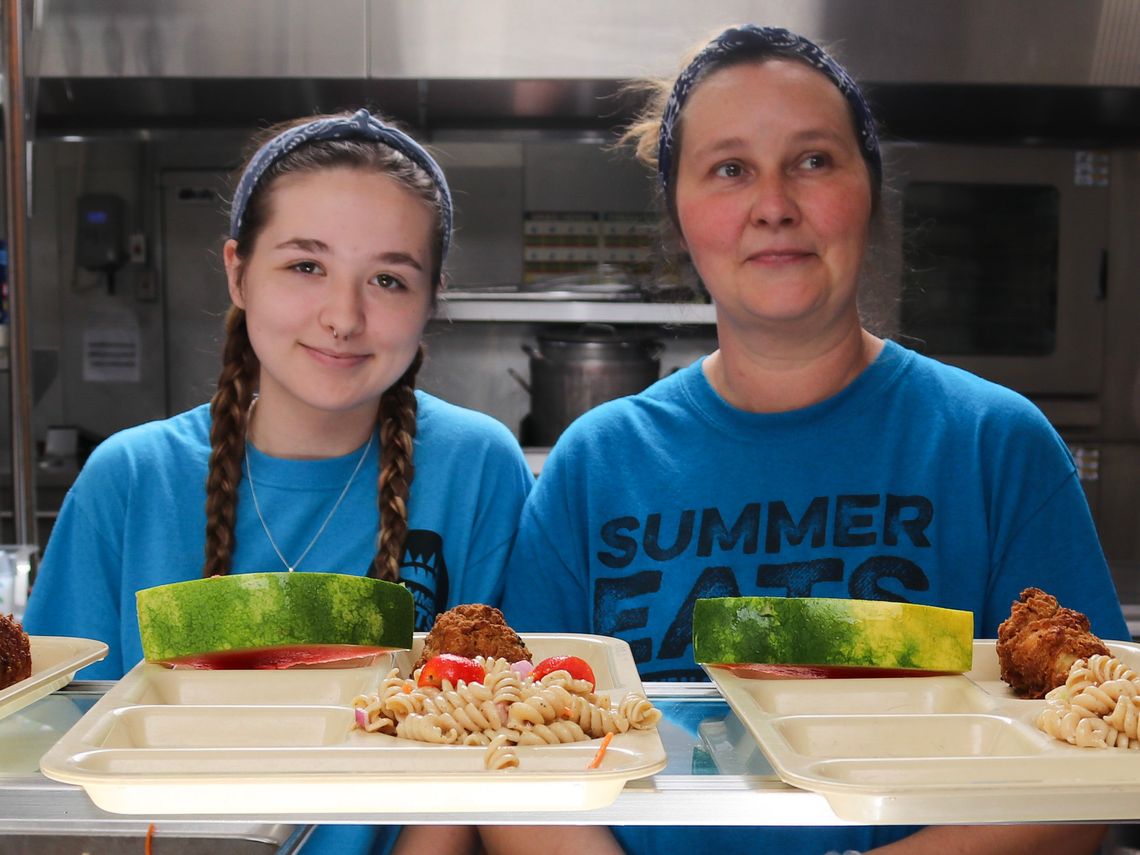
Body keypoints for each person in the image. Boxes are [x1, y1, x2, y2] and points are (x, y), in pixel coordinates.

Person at [500, 25, 1128, 855]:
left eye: (814, 160)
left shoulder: (996, 445)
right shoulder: (595, 463)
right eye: (730, 168)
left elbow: (1094, 765)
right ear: (678, 213)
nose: (773, 204)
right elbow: (513, 768)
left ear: (869, 188)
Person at [24, 108, 534, 855]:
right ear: (237, 270)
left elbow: (489, 753)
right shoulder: (129, 480)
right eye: (305, 265)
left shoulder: (478, 466)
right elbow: (51, 751)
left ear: (431, 302)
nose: (342, 316)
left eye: (388, 279)